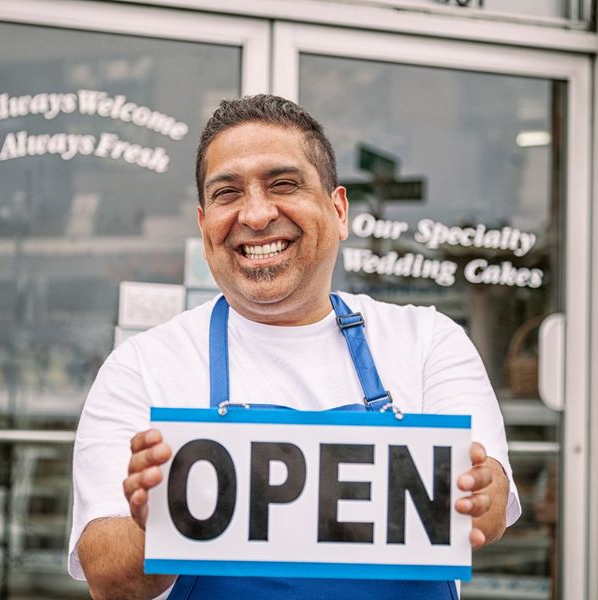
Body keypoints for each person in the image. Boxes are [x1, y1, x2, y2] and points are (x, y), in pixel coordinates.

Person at [68, 94, 520, 600]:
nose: (256, 215)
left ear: (339, 209)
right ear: (203, 224)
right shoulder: (143, 367)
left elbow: (492, 508)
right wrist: (159, 526)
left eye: (283, 184)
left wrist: (479, 493)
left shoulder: (428, 341)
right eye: (227, 193)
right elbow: (107, 576)